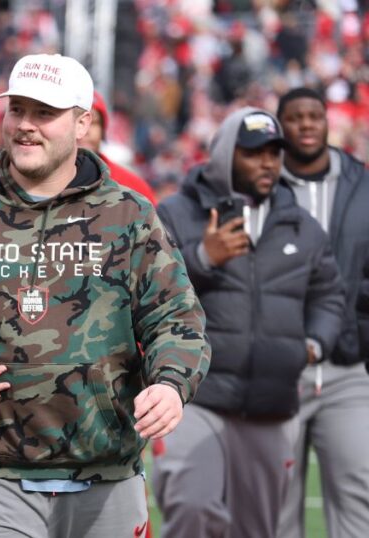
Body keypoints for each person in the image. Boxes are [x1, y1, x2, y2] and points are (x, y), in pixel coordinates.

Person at [0, 53, 210, 538]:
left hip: (104, 477)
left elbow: (177, 319)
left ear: (83, 122)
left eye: (45, 113)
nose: (26, 126)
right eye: (17, 110)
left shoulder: (128, 215)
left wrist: (171, 384)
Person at [153, 108, 344, 538]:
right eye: (255, 153)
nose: (268, 164)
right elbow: (149, 292)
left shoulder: (300, 224)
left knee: (255, 529)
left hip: (270, 404)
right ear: (224, 155)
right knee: (192, 509)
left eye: (275, 154)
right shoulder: (177, 213)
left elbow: (328, 294)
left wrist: (314, 344)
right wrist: (203, 260)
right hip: (194, 395)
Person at [275, 88, 369, 538]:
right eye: (296, 117)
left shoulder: (361, 184)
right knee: (276, 503)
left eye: (315, 116)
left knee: (357, 495)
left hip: (347, 369)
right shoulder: (259, 187)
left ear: (328, 122)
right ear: (280, 125)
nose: (307, 124)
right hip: (278, 367)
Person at [80, 91, 157, 203]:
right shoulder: (48, 182)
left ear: (103, 131)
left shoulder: (133, 186)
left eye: (94, 122)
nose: (85, 130)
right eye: (78, 121)